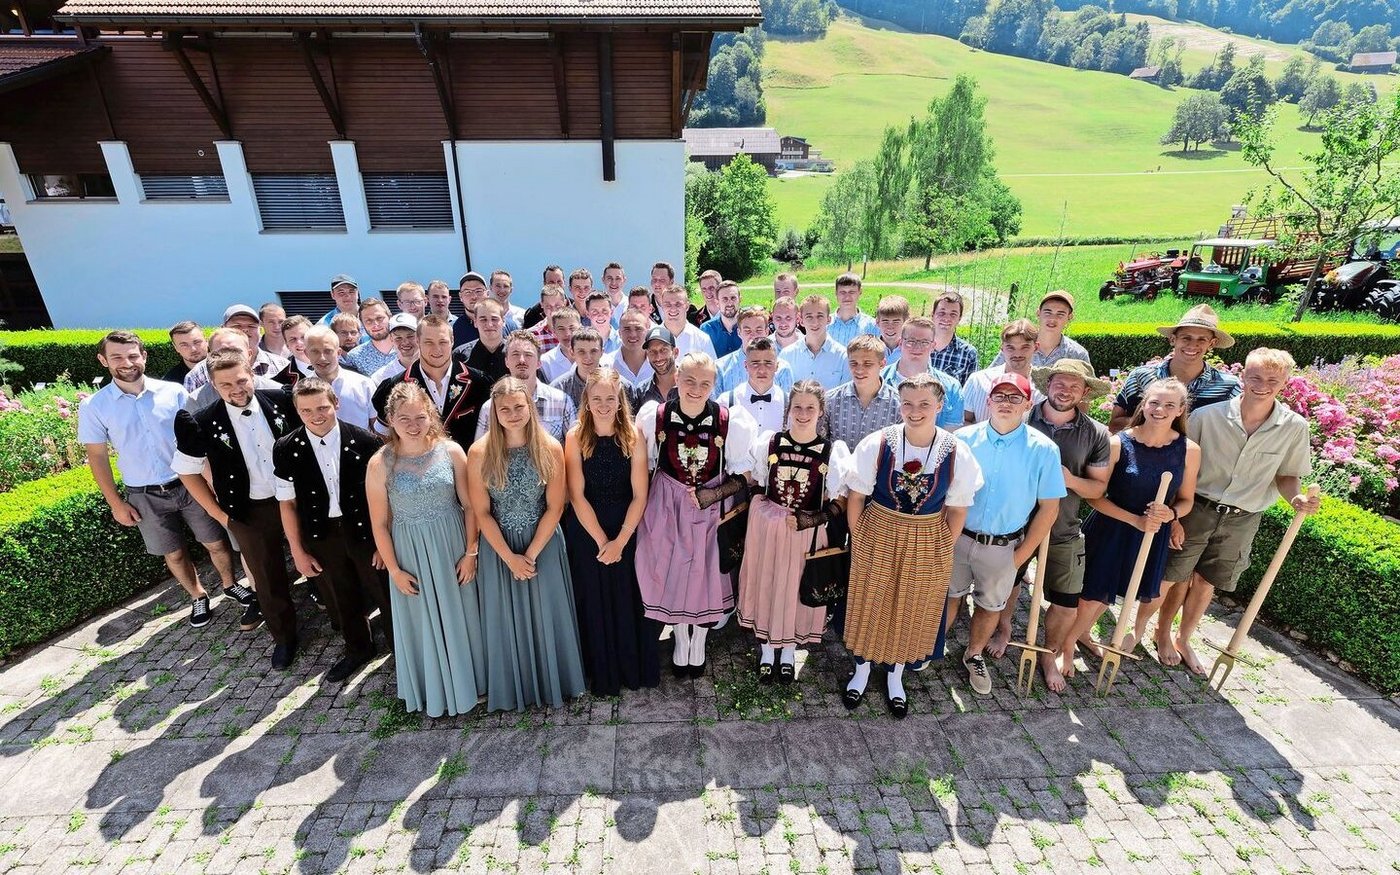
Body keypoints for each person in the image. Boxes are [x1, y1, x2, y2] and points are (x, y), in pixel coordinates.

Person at [1141, 348, 1318, 675]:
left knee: (1208, 582)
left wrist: (1295, 500)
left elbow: (1288, 475)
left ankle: (1184, 638)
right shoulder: (1207, 417)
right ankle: (1155, 632)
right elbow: (1179, 466)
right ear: (1243, 377)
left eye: (1272, 380)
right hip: (1198, 508)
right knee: (1172, 575)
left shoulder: (1294, 427)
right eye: (1255, 377)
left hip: (1242, 518)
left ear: (1285, 382)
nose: (1262, 385)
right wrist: (1176, 515)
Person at [80, 330, 243, 629]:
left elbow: (198, 442)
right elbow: (98, 458)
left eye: (132, 355)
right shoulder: (94, 406)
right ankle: (197, 595)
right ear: (103, 360)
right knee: (174, 552)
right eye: (117, 357)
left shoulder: (174, 393)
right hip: (144, 493)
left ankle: (230, 585)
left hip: (189, 484)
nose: (126, 362)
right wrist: (116, 503)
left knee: (216, 542)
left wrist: (212, 483)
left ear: (144, 356)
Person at [843, 373, 982, 717]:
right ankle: (861, 670)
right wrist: (859, 537)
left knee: (913, 605)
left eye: (923, 404)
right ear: (899, 404)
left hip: (927, 535)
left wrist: (942, 547)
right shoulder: (878, 442)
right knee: (869, 599)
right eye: (907, 403)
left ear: (939, 405)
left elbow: (958, 508)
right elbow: (857, 496)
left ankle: (895, 676)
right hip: (879, 529)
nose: (914, 410)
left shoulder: (956, 452)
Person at [173, 351, 300, 669]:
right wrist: (218, 514)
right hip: (248, 510)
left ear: (252, 375)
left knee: (319, 557)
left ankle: (341, 622)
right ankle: (284, 638)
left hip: (296, 501)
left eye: (241, 380)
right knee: (267, 577)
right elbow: (187, 472)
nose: (236, 389)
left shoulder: (282, 400)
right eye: (225, 384)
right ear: (214, 385)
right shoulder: (200, 421)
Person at [1064, 378, 1200, 678]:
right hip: (1112, 527)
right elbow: (1095, 498)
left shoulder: (1189, 450)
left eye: (1168, 405)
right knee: (1092, 595)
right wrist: (1134, 520)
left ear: (1180, 410)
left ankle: (1082, 636)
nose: (1159, 409)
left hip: (1152, 533)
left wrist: (1170, 514)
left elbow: (1187, 500)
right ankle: (1066, 644)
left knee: (1115, 593)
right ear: (1143, 404)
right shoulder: (1118, 442)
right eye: (1153, 402)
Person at [366, 383, 486, 716]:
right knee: (421, 620)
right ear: (390, 419)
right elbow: (379, 524)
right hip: (410, 553)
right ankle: (433, 687)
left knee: (463, 614)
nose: (414, 425)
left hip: (452, 545)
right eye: (404, 418)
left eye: (421, 416)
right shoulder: (380, 463)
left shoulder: (451, 452)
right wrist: (394, 570)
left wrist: (471, 552)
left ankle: (473, 682)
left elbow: (470, 506)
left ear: (431, 414)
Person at [468, 377, 587, 711]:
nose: (512, 413)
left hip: (543, 543)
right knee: (504, 619)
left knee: (548, 614)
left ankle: (556, 681)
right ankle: (514, 686)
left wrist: (530, 555)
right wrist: (510, 558)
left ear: (530, 407)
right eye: (504, 409)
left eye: (519, 406)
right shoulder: (479, 452)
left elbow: (556, 506)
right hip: (499, 547)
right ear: (494, 412)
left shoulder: (550, 446)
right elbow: (481, 512)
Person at [636, 353, 759, 676]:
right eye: (689, 380)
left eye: (705, 383)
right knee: (672, 567)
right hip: (667, 504)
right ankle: (679, 636)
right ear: (676, 377)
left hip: (711, 505)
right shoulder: (656, 416)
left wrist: (714, 494)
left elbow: (746, 474)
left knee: (707, 570)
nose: (696, 388)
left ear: (714, 384)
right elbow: (646, 464)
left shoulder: (729, 419)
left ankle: (699, 638)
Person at [949, 373, 1065, 695]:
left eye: (1015, 397)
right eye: (999, 396)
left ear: (1028, 404)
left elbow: (1049, 508)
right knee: (948, 596)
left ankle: (973, 654)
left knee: (990, 607)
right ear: (988, 401)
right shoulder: (963, 440)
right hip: (959, 538)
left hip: (1004, 547)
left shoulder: (1044, 450)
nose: (1006, 403)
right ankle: (931, 647)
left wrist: (1020, 556)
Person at [273, 379, 391, 682]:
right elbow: (287, 504)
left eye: (323, 407)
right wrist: (298, 551)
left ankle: (399, 649)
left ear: (335, 404)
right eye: (307, 410)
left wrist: (383, 542)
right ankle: (358, 649)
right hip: (322, 535)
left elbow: (386, 497)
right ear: (297, 412)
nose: (316, 416)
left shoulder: (366, 442)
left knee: (384, 591)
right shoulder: (286, 448)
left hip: (366, 533)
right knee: (340, 596)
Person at [738, 380, 849, 683]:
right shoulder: (770, 443)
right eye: (797, 407)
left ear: (821, 411)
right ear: (788, 410)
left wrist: (811, 520)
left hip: (805, 534)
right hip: (769, 527)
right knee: (769, 581)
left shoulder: (831, 452)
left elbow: (840, 501)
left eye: (810, 407)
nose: (803, 413)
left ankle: (787, 649)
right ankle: (767, 649)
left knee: (795, 586)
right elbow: (758, 483)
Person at [563, 368, 659, 696]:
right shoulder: (575, 436)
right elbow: (576, 494)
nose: (603, 404)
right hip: (587, 529)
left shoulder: (634, 435)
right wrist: (603, 541)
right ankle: (599, 669)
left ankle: (631, 668)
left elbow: (640, 495)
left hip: (626, 527)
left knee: (626, 597)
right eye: (596, 398)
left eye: (610, 398)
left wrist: (620, 540)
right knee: (592, 599)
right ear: (586, 402)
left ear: (620, 401)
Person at [1024, 360, 1111, 693]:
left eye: (1075, 386)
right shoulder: (1023, 418)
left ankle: (1049, 655)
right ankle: (1003, 633)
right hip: (1018, 525)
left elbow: (1098, 488)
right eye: (1060, 383)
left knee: (1065, 604)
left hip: (1064, 531)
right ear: (1049, 384)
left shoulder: (1096, 434)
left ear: (1085, 391)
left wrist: (1070, 479)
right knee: (1009, 589)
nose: (1066, 390)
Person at [1109, 304, 1240, 432]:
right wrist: (1157, 422)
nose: (1192, 345)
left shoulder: (1229, 386)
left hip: (1201, 454)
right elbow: (1115, 424)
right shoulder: (1141, 376)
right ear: (1172, 339)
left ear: (1212, 343)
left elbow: (1237, 429)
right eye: (1186, 338)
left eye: (1202, 339)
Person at [372, 314, 491, 449]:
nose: (437, 349)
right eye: (429, 342)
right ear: (417, 341)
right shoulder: (392, 387)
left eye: (443, 342)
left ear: (452, 340)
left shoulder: (480, 383)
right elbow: (385, 438)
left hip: (469, 466)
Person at [474, 331, 576, 442]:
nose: (522, 360)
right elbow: (481, 453)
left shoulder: (561, 402)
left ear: (539, 363)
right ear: (506, 361)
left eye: (528, 355)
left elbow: (575, 448)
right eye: (515, 354)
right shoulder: (491, 407)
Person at [879, 317, 965, 430]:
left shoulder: (951, 387)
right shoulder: (879, 379)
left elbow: (951, 434)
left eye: (924, 342)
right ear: (900, 343)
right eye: (911, 341)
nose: (917, 347)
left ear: (933, 346)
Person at [821, 334, 902, 454]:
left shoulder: (898, 404)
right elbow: (822, 442)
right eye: (853, 363)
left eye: (867, 364)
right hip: (838, 470)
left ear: (882, 364)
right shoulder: (831, 399)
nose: (859, 370)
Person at [184, 304, 288, 393]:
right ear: (223, 329)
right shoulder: (198, 375)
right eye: (237, 326)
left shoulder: (283, 366)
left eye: (251, 326)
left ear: (260, 331)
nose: (245, 330)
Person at [962, 320, 1045, 424]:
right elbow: (962, 420)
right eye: (1010, 347)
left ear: (1036, 347)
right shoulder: (978, 380)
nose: (1017, 354)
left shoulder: (1043, 389)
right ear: (1002, 347)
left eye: (1025, 347)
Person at [184, 329, 286, 412]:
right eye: (222, 352)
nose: (229, 357)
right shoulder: (197, 401)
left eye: (235, 351)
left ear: (249, 354)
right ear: (210, 357)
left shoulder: (278, 392)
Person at [302, 326, 378, 431]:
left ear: (338, 352)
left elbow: (378, 429)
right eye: (315, 352)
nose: (322, 358)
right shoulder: (300, 390)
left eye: (328, 351)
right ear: (306, 353)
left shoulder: (364, 384)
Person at [993, 291, 1091, 368]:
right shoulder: (1017, 345)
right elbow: (989, 378)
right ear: (1038, 313)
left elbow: (1088, 390)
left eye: (1060, 314)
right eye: (1048, 312)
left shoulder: (1077, 354)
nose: (1052, 319)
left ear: (1070, 317)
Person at [714, 306, 795, 397]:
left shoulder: (782, 368)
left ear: (766, 332)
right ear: (739, 332)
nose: (753, 335)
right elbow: (716, 407)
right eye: (747, 330)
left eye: (758, 330)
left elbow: (788, 406)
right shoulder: (721, 367)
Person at [717, 337, 787, 434]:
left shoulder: (789, 403)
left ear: (777, 366)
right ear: (745, 365)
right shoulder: (726, 401)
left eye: (768, 363)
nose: (762, 370)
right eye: (755, 363)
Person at [781, 295, 849, 389]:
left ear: (829, 319)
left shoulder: (843, 356)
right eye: (809, 317)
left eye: (820, 316)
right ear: (801, 321)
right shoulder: (786, 355)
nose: (815, 322)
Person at [925, 292, 980, 385]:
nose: (946, 318)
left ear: (959, 318)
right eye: (941, 313)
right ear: (932, 315)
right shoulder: (916, 345)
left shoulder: (968, 354)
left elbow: (967, 393)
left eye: (953, 314)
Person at [454, 298, 510, 383]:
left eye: (494, 319)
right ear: (475, 322)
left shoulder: (514, 353)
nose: (489, 324)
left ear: (503, 321)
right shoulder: (460, 355)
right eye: (483, 319)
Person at [550, 327, 604, 411]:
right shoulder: (558, 389)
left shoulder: (620, 386)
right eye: (581, 352)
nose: (588, 357)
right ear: (572, 352)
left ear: (602, 352)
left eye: (593, 351)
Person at [658, 283, 717, 358]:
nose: (673, 309)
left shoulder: (702, 339)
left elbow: (712, 369)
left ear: (687, 306)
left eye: (678, 304)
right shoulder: (651, 338)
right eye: (668, 304)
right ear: (662, 306)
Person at [344, 298, 398, 377]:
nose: (375, 324)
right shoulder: (355, 357)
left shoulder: (407, 348)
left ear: (390, 317)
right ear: (362, 324)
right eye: (368, 320)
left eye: (379, 318)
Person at [629, 325, 679, 411]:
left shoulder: (690, 384)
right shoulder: (641, 392)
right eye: (652, 351)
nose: (658, 357)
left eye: (663, 350)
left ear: (675, 352)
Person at [603, 308, 654, 385]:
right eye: (627, 329)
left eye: (638, 329)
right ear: (619, 332)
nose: (633, 334)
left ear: (647, 331)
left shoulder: (658, 363)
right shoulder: (606, 364)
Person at [829, 273, 879, 348]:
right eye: (843, 292)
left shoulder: (872, 325)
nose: (847, 297)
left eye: (851, 292)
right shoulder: (825, 324)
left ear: (860, 292)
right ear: (836, 292)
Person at [369, 313, 419, 387]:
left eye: (410, 336)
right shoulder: (380, 378)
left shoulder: (436, 370)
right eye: (398, 338)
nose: (405, 342)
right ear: (391, 339)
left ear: (420, 336)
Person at [320, 273, 369, 344]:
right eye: (341, 292)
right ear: (332, 295)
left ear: (357, 293)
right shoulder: (324, 324)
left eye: (351, 291)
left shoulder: (372, 318)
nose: (347, 296)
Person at [700, 280, 742, 358]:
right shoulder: (706, 329)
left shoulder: (749, 326)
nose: (729, 304)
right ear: (717, 303)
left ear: (740, 300)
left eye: (733, 298)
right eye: (724, 299)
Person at [539, 309, 582, 383]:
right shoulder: (545, 362)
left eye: (572, 328)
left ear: (581, 329)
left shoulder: (594, 356)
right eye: (561, 329)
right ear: (554, 332)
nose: (567, 333)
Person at [451, 271, 490, 347]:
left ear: (488, 294)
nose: (474, 296)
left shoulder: (505, 325)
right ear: (460, 296)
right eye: (468, 292)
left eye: (478, 291)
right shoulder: (451, 329)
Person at [164, 320, 208, 385]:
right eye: (184, 345)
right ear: (176, 348)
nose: (193, 349)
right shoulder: (171, 382)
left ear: (206, 340)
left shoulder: (226, 366)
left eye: (197, 342)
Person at [528, 284, 569, 352]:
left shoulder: (576, 331)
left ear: (565, 303)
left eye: (557, 306)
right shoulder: (533, 335)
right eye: (548, 307)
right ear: (541, 304)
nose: (553, 310)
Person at [281, 315, 316, 381]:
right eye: (293, 339)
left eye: (303, 337)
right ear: (287, 345)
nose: (299, 343)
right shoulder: (279, 381)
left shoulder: (335, 366)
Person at [875, 295, 908, 364]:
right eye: (885, 321)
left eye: (896, 321)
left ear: (905, 322)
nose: (890, 327)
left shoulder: (912, 350)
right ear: (877, 322)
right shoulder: (870, 350)